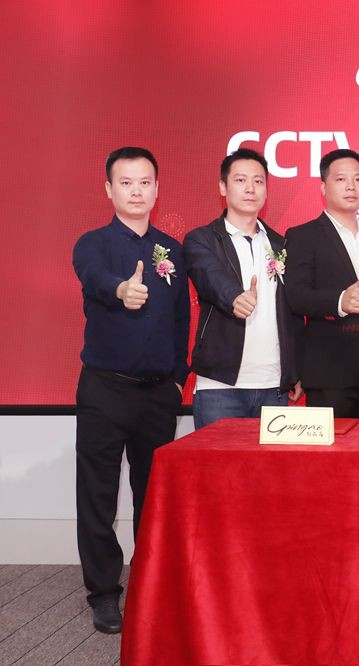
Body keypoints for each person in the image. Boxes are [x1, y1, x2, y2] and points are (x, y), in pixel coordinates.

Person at [72, 147, 189, 633]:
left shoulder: (172, 250)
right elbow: (96, 279)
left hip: (158, 394)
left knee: (153, 496)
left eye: (144, 182)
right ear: (109, 189)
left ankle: (148, 581)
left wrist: (178, 379)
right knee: (97, 496)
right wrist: (122, 290)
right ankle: (103, 593)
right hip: (104, 389)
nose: (136, 191)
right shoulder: (92, 244)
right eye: (126, 182)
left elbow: (181, 319)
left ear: (157, 189)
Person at [183, 148, 303, 428]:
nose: (250, 188)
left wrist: (295, 370)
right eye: (240, 180)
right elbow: (209, 276)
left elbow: (294, 313)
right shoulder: (202, 240)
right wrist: (234, 297)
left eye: (258, 181)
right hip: (220, 386)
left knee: (271, 461)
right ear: (223, 187)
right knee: (216, 459)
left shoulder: (281, 245)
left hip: (274, 386)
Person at [283, 149, 359, 417]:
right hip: (332, 374)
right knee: (334, 446)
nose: (351, 186)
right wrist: (339, 301)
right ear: (323, 187)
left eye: (358, 179)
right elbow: (296, 296)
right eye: (341, 179)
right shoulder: (304, 236)